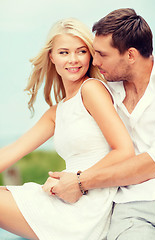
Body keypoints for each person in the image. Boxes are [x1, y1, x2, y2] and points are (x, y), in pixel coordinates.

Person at [0, 18, 135, 240]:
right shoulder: (56, 112)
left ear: (90, 55)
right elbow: (13, 151)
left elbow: (124, 151)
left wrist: (78, 181)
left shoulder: (91, 89)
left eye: (81, 51)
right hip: (65, 196)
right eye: (64, 52)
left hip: (87, 203)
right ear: (51, 57)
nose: (73, 60)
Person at [48, 8, 155, 239]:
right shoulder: (103, 92)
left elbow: (154, 163)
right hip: (134, 209)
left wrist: (79, 182)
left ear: (130, 55)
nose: (94, 61)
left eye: (102, 54)